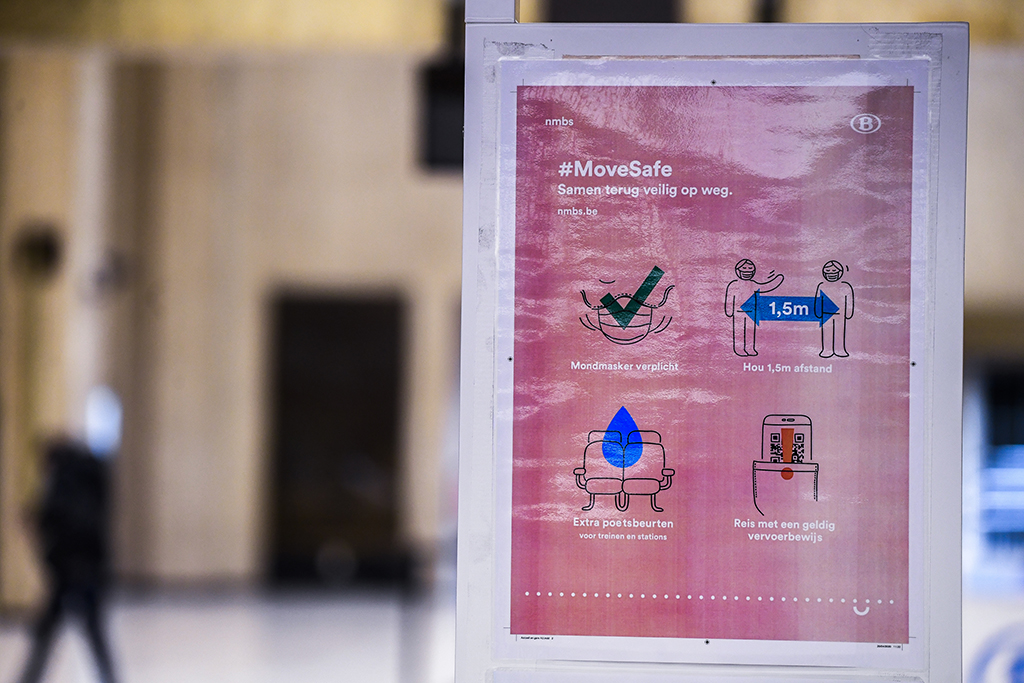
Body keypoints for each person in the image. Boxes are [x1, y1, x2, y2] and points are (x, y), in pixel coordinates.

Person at [17, 438, 118, 683]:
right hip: (84, 570)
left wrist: (39, 519)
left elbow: (62, 522)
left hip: (71, 571)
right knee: (86, 632)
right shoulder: (88, 482)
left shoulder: (66, 484)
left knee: (66, 630)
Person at [724, 258, 784, 356]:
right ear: (738, 270)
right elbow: (729, 298)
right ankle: (739, 349)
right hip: (739, 313)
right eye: (744, 268)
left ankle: (750, 348)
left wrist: (777, 279)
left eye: (749, 268)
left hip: (751, 312)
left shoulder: (754, 284)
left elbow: (766, 286)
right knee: (739, 332)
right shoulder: (734, 284)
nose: (747, 271)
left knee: (750, 332)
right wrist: (729, 311)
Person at [815, 260, 855, 358]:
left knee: (840, 332)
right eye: (828, 271)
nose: (831, 273)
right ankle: (826, 350)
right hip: (826, 314)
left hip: (840, 314)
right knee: (827, 333)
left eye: (834, 271)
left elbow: (849, 300)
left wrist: (849, 313)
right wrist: (818, 312)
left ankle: (840, 349)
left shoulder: (845, 286)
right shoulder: (822, 286)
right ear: (824, 273)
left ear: (840, 272)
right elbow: (818, 300)